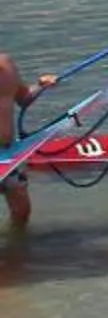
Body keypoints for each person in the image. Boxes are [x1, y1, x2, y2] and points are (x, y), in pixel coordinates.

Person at [2, 51, 53, 230]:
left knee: (22, 212)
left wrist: (40, 86)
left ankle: (17, 252)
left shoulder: (6, 63)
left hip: (8, 153)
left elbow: (23, 99)